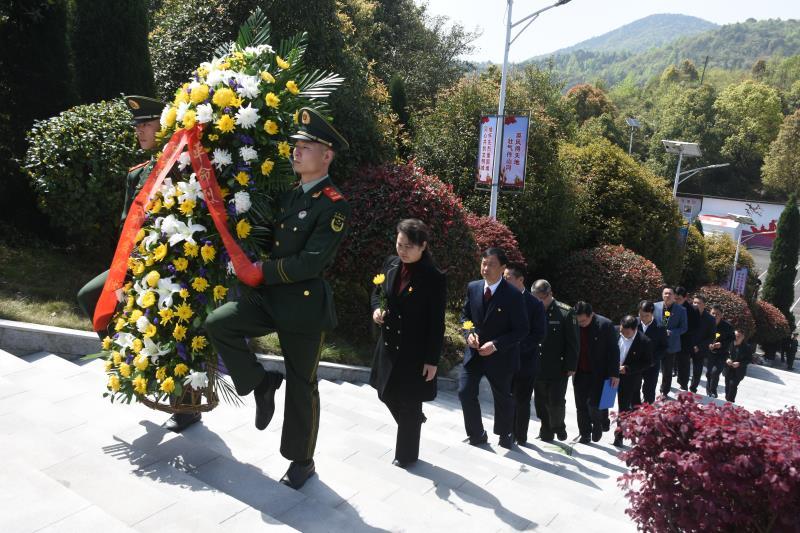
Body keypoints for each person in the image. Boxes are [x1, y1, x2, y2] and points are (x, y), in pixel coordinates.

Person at [205, 107, 350, 490]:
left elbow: (311, 262)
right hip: (268, 297)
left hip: (303, 306)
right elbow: (268, 237)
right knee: (218, 323)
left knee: (303, 383)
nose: (297, 151)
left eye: (306, 145)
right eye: (296, 145)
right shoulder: (287, 195)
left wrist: (262, 271)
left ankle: (302, 461)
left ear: (327, 155)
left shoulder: (334, 204)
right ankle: (260, 382)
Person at [75, 96, 200, 434]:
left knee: (178, 327)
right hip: (136, 263)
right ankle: (129, 360)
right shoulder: (138, 174)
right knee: (90, 296)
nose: (139, 130)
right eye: (137, 125)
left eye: (146, 124)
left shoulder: (183, 167)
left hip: (174, 266)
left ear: (164, 127)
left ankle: (186, 405)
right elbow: (126, 226)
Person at [369, 219, 446, 467]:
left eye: (409, 246)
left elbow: (437, 323)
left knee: (410, 401)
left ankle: (406, 456)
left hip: (415, 350)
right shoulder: (391, 264)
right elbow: (377, 293)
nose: (402, 250)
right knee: (385, 393)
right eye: (399, 244)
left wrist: (432, 360)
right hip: (389, 344)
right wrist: (377, 310)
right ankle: (413, 420)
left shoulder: (434, 278)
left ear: (423, 246)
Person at [458, 248, 528, 449]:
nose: (486, 268)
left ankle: (506, 433)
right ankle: (477, 433)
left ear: (503, 268)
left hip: (501, 356)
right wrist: (467, 333)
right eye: (483, 263)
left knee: (502, 397)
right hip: (474, 352)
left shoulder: (513, 295)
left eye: (491, 265)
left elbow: (521, 330)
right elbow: (465, 316)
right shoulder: (473, 287)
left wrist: (496, 345)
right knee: (464, 391)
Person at [503, 264, 547, 445]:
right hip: (504, 358)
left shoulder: (534, 304)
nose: (504, 280)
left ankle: (520, 435)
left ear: (520, 280)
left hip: (526, 361)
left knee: (521, 400)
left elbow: (539, 334)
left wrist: (518, 347)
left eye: (508, 278)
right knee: (506, 397)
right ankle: (505, 431)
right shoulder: (501, 297)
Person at [531, 280, 578, 442]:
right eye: (535, 298)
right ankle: (546, 429)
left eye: (541, 298)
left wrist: (571, 365)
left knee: (556, 400)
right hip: (537, 364)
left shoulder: (565, 312)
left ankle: (558, 426)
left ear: (549, 294)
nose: (538, 302)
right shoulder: (533, 309)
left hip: (558, 366)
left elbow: (573, 342)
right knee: (540, 400)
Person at [572, 301, 620, 444]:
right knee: (580, 406)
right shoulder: (573, 323)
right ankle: (585, 434)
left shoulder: (605, 325)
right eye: (578, 321)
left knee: (596, 404)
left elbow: (613, 351)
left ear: (591, 315)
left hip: (599, 372)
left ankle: (598, 423)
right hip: (580, 371)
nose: (581, 324)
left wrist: (614, 373)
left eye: (584, 321)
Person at [614, 315, 652, 447]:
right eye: (622, 331)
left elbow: (648, 362)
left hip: (629, 379)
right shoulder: (614, 331)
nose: (623, 334)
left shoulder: (644, 341)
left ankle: (619, 435)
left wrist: (628, 369)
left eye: (627, 332)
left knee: (623, 409)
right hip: (611, 376)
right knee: (604, 402)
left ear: (635, 329)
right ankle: (603, 423)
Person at [654, 287, 688, 398]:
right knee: (652, 368)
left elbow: (684, 328)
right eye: (665, 293)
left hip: (671, 344)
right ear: (662, 295)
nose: (667, 296)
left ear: (674, 296)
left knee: (667, 370)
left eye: (670, 294)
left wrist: (671, 332)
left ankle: (664, 391)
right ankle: (650, 389)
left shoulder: (681, 310)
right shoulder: (655, 306)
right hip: (656, 344)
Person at [637, 300, 667, 404]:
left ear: (652, 313)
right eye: (641, 315)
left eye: (646, 315)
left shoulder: (660, 327)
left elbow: (664, 347)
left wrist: (654, 360)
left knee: (649, 389)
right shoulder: (633, 323)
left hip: (652, 363)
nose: (643, 318)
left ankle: (648, 409)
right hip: (635, 363)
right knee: (634, 387)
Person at [706, 304, 735, 398]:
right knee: (709, 373)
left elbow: (732, 339)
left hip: (722, 354)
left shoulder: (727, 326)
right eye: (713, 313)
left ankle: (713, 391)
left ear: (721, 315)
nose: (714, 316)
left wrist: (722, 344)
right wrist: (708, 344)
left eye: (717, 314)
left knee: (715, 372)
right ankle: (709, 391)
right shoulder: (707, 324)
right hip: (710, 353)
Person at [690, 295, 717, 393]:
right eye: (694, 302)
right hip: (688, 346)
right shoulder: (688, 314)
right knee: (682, 367)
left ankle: (693, 389)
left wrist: (699, 346)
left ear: (704, 305)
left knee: (697, 371)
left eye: (699, 303)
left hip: (700, 348)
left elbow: (712, 336)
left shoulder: (710, 319)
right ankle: (683, 385)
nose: (696, 305)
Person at [675, 287, 699, 391]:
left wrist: (681, 331)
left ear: (685, 298)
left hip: (685, 341)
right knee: (667, 363)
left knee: (683, 363)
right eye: (675, 298)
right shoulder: (669, 307)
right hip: (671, 339)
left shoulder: (692, 310)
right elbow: (665, 321)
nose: (676, 300)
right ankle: (664, 387)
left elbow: (695, 327)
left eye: (679, 298)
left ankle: (683, 383)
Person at [724, 329, 753, 403]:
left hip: (739, 371)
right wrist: (727, 359)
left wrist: (739, 363)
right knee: (727, 386)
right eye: (735, 336)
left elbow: (749, 360)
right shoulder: (729, 343)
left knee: (732, 385)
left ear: (743, 337)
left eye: (738, 336)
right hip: (728, 369)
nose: (736, 338)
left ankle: (730, 402)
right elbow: (724, 353)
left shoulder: (747, 347)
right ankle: (727, 400)